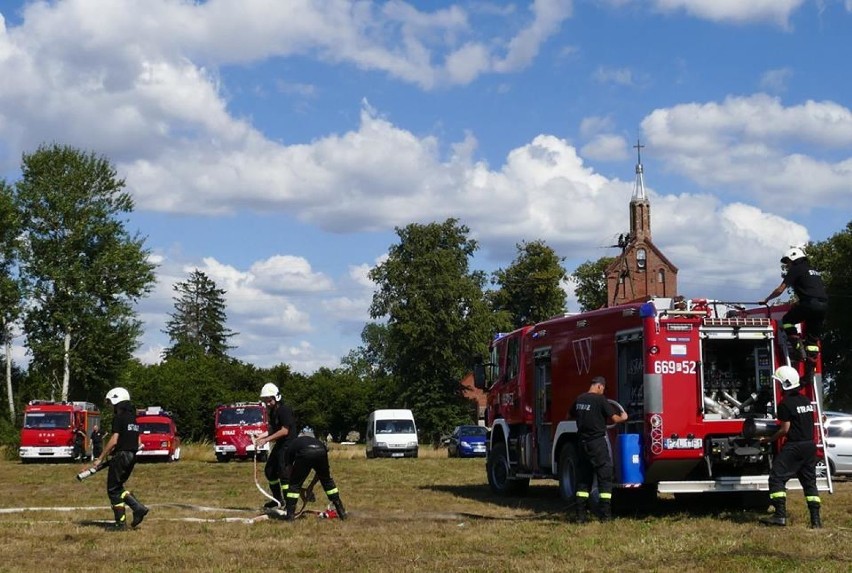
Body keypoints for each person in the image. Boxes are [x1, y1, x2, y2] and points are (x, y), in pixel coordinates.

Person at [760, 366, 822, 528]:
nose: (778, 386)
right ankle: (816, 521)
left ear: (785, 384)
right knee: (809, 483)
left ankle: (779, 515)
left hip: (795, 446)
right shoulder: (806, 401)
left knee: (776, 477)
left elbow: (785, 429)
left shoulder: (785, 404)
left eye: (779, 383)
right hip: (810, 446)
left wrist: (768, 439)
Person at [760, 247, 828, 375]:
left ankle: (797, 347)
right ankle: (809, 372)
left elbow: (780, 290)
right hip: (823, 306)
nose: (788, 265)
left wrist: (767, 299)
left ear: (794, 258)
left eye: (788, 262)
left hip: (809, 304)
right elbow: (813, 290)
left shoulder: (796, 269)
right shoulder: (814, 271)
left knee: (787, 321)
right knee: (812, 341)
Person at [569, 375, 628, 522]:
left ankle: (580, 516)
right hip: (597, 443)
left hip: (582, 443)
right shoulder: (600, 400)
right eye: (603, 389)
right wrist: (624, 417)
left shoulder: (579, 399)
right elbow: (615, 419)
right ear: (600, 386)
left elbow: (569, 414)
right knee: (605, 476)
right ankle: (605, 516)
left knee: (583, 478)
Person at [92, 387, 149, 530]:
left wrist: (100, 458)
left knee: (113, 489)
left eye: (111, 403)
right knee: (118, 487)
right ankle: (137, 509)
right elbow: (139, 440)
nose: (111, 407)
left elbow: (114, 440)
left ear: (117, 401)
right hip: (131, 456)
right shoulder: (133, 419)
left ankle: (121, 523)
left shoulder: (119, 418)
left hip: (121, 455)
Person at [281, 432, 347, 521]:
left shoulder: (291, 446)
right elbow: (321, 474)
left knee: (294, 485)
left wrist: (297, 487)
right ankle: (341, 512)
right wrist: (310, 487)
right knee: (327, 482)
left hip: (305, 452)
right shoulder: (318, 442)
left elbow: (288, 469)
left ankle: (290, 516)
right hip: (321, 451)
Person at [254, 382, 297, 509]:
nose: (268, 403)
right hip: (280, 444)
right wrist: (260, 436)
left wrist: (266, 440)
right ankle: (278, 500)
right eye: (266, 401)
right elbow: (273, 429)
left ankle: (289, 504)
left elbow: (285, 431)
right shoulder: (273, 412)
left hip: (288, 445)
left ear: (276, 398)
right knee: (270, 471)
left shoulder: (284, 410)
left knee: (284, 474)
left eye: (269, 400)